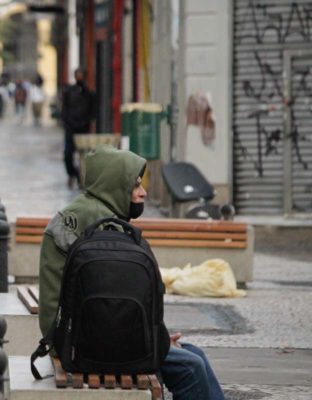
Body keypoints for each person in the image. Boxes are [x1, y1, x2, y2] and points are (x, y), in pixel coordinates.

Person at [39, 145, 225, 400]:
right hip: (83, 344)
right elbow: (118, 303)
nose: (143, 193)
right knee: (192, 368)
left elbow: (118, 303)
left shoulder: (88, 213)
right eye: (136, 185)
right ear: (114, 184)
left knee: (194, 355)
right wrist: (153, 341)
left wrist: (157, 337)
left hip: (80, 334)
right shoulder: (104, 228)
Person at [61, 69, 95, 188]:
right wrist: (67, 122)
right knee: (67, 154)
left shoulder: (89, 93)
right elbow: (64, 109)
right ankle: (72, 173)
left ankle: (82, 177)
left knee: (84, 155)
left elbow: (92, 111)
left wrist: (87, 123)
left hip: (83, 128)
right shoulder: (69, 92)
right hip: (70, 127)